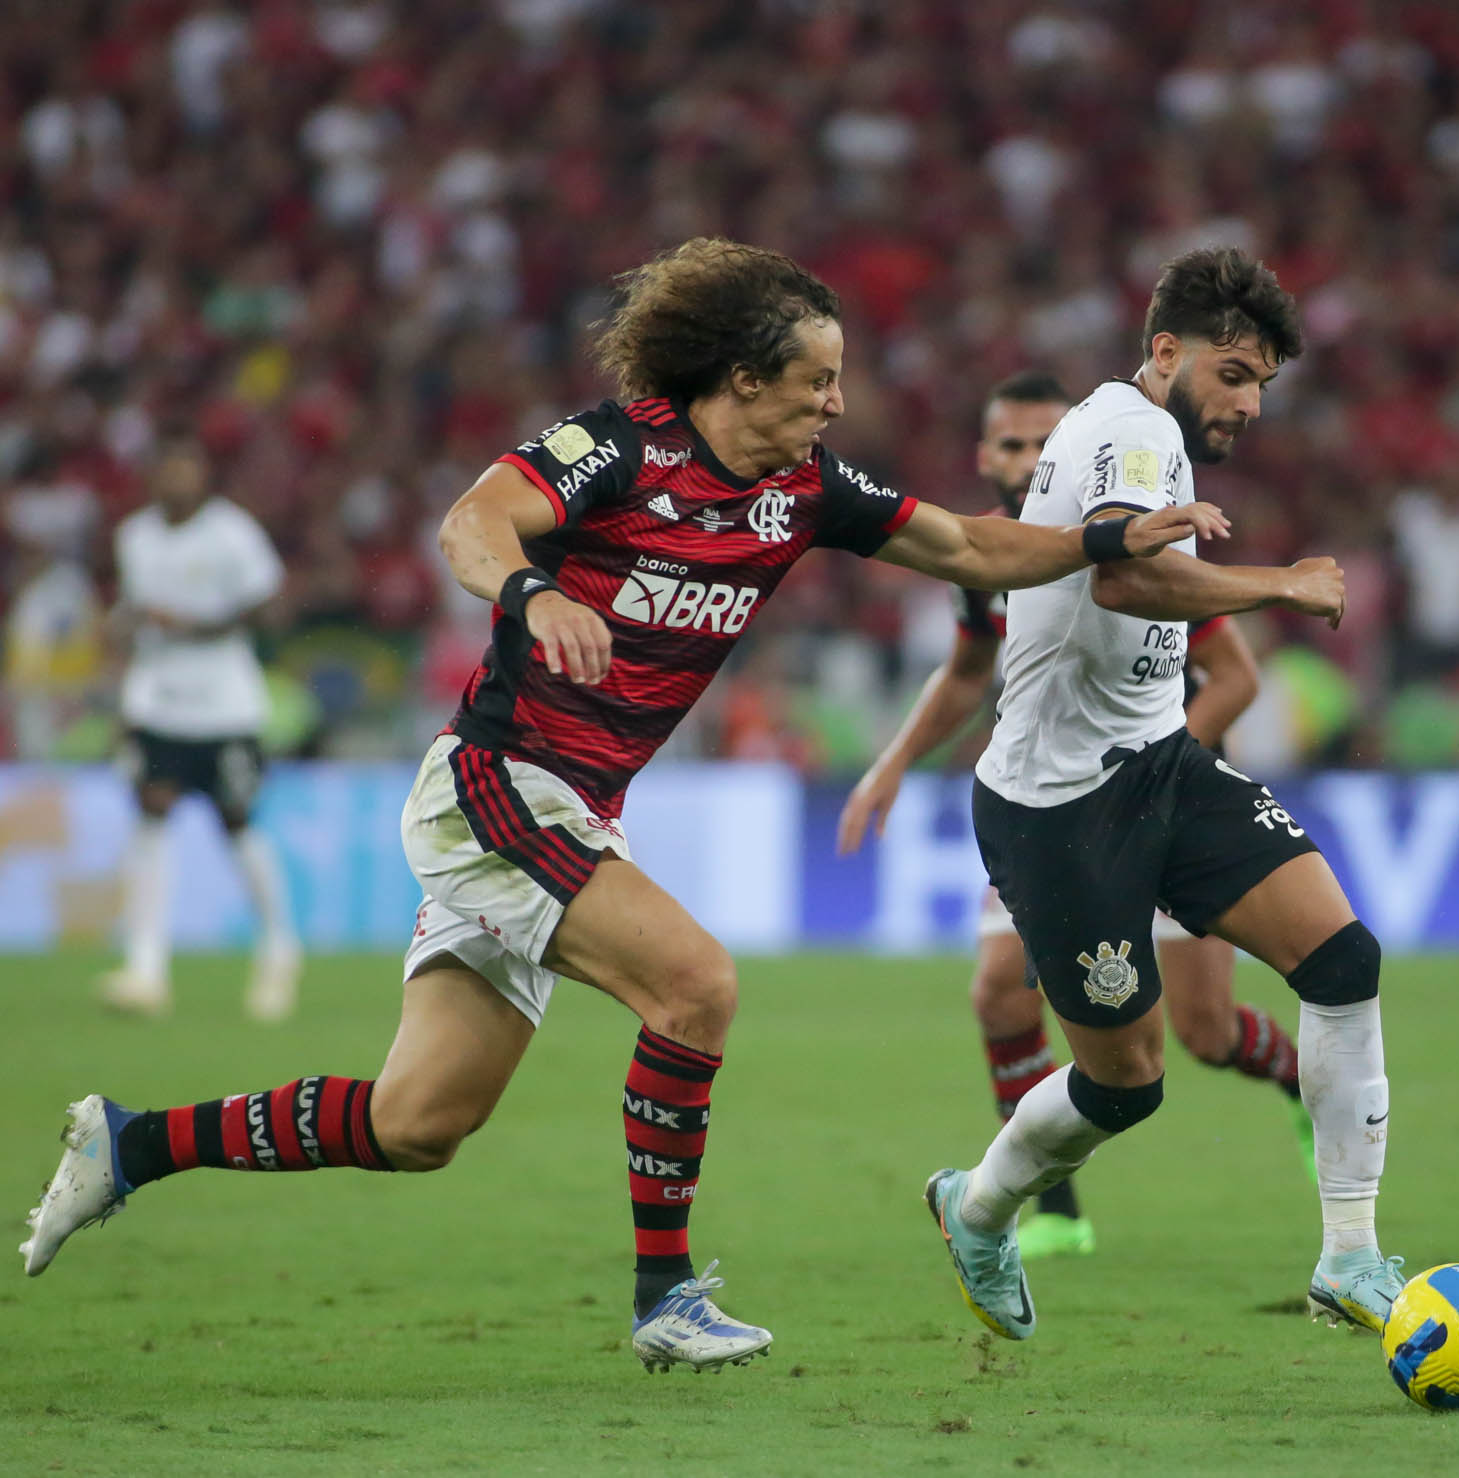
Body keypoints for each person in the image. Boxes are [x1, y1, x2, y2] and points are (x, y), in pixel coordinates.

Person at [20, 238, 1226, 1374]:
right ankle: (664, 1299)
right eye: (817, 380)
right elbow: (471, 522)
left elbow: (969, 546)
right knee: (696, 982)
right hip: (495, 783)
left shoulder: (805, 488)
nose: (835, 405)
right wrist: (534, 591)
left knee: (419, 1119)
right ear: (745, 377)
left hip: (572, 807)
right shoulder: (621, 449)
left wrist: (1103, 535)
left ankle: (126, 1142)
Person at [920, 246, 1407, 1344]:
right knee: (1125, 1080)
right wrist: (1280, 583)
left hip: (1158, 763)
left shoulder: (1154, 439)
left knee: (1341, 959)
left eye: (1261, 386)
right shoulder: (1132, 431)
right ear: (1164, 352)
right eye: (1231, 374)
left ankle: (1349, 1254)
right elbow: (1123, 574)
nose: (1244, 402)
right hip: (1055, 808)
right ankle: (978, 1205)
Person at [840, 371, 1311, 1263]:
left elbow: (1238, 678)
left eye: (1038, 444)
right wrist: (895, 762)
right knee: (994, 993)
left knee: (1205, 1036)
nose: (1023, 460)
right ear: (984, 456)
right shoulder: (988, 560)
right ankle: (1054, 1207)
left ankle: (1299, 1084)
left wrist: (1151, 788)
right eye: (1007, 445)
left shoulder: (1132, 544)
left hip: (1166, 793)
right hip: (1054, 806)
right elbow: (970, 672)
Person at [100, 437, 301, 1022]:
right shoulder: (134, 535)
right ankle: (145, 968)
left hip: (224, 705)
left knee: (236, 823)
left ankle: (279, 948)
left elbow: (268, 606)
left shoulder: (230, 534)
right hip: (157, 702)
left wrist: (195, 625)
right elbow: (133, 611)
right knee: (151, 815)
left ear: (202, 476)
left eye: (186, 469)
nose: (176, 481)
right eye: (167, 470)